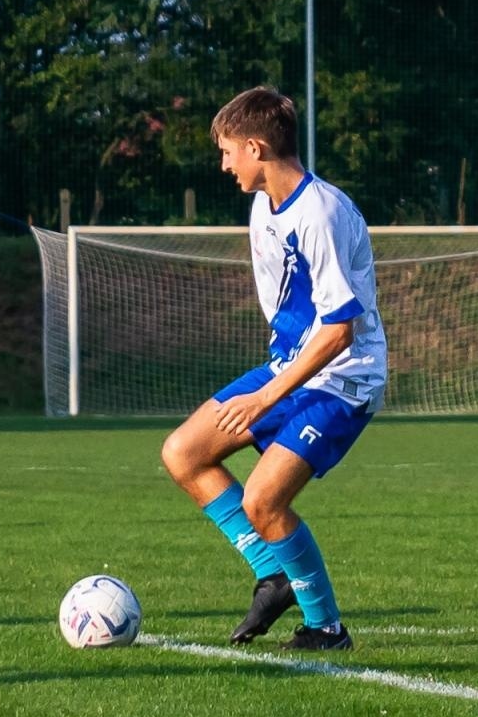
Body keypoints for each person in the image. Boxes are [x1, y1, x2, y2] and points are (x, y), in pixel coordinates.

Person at [160, 85, 386, 652]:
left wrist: (264, 399)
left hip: (344, 377)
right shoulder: (263, 205)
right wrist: (273, 382)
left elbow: (339, 330)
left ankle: (327, 629)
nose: (223, 163)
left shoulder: (321, 213)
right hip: (290, 367)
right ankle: (275, 573)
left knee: (263, 501)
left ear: (256, 148)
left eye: (228, 151)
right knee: (183, 453)